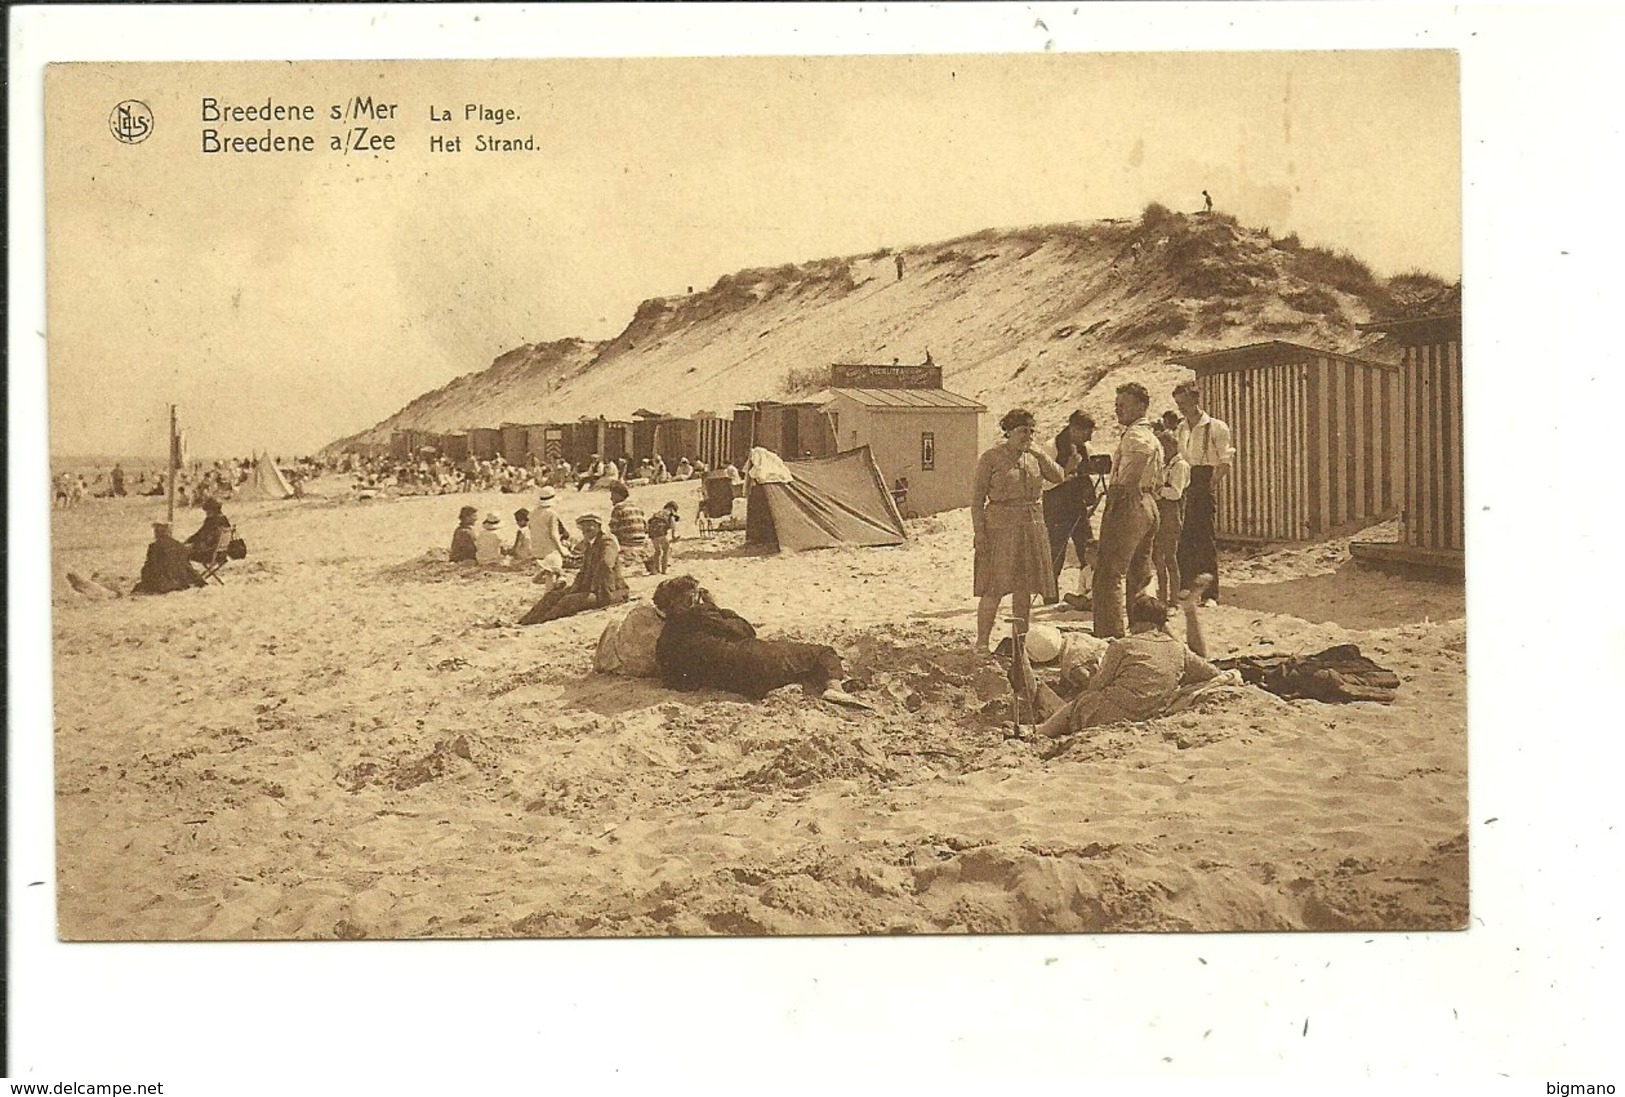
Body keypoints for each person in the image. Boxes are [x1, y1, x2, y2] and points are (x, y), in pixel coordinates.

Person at [1037, 584, 1220, 738]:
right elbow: (1212, 672)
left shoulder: (1123, 645)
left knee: (1081, 702)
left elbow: (1098, 685)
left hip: (1116, 711)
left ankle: (1041, 732)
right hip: (1152, 711)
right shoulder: (1177, 648)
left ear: (1135, 620)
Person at [652, 575, 847, 699]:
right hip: (756, 664)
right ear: (688, 599)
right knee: (822, 652)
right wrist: (715, 607)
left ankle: (815, 680)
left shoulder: (664, 641)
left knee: (792, 663)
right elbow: (746, 631)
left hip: (736, 684)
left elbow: (679, 681)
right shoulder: (700, 614)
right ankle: (835, 688)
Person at [972, 408, 1066, 652]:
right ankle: (982, 642)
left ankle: (1019, 642)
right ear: (1009, 432)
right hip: (999, 528)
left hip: (1031, 527)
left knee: (1024, 587)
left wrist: (1039, 453)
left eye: (1031, 431)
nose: (1028, 436)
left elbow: (1058, 477)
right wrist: (979, 533)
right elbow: (977, 499)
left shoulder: (1034, 456)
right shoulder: (991, 457)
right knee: (994, 587)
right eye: (1023, 431)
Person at [1092, 382, 1163, 638]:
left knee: (1108, 575)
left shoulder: (1136, 434)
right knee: (1139, 574)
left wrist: (1127, 487)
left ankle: (1109, 637)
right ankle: (1144, 631)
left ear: (1141, 407)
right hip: (1148, 504)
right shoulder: (1151, 434)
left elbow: (1141, 454)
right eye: (1116, 403)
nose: (1117, 408)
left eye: (1123, 404)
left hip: (1129, 502)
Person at [1173, 379, 1234, 604]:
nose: (1181, 408)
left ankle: (1210, 594)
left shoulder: (1216, 426)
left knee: (1204, 539)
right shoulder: (1181, 428)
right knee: (1183, 537)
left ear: (1196, 399)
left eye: (1184, 403)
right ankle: (1187, 587)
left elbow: (1226, 462)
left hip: (1202, 480)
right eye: (1178, 404)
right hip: (1184, 481)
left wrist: (1209, 485)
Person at [519, 513, 629, 624]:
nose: (586, 529)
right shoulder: (590, 544)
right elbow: (583, 572)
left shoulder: (607, 542)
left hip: (610, 592)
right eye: (583, 526)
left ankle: (541, 621)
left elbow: (606, 565)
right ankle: (523, 622)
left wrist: (600, 592)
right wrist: (573, 589)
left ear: (598, 526)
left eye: (590, 525)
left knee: (567, 601)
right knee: (552, 596)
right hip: (590, 589)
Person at [1042, 410, 1098, 607]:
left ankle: (1091, 594)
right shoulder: (1050, 447)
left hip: (1078, 506)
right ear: (1074, 429)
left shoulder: (1086, 447)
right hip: (1056, 507)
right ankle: (1050, 597)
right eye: (1086, 433)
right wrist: (1068, 470)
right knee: (1056, 551)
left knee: (1088, 550)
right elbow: (1043, 483)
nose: (1089, 438)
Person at [1153, 428, 1190, 604]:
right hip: (1160, 513)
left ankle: (1174, 598)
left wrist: (1158, 491)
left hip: (1171, 514)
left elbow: (1176, 492)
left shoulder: (1180, 466)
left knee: (1169, 557)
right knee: (1157, 556)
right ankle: (1162, 596)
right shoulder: (1165, 465)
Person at [132, 522, 206, 594]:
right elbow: (186, 565)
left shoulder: (154, 547)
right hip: (181, 582)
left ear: (157, 533)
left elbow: (149, 566)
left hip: (163, 584)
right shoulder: (179, 545)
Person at [606, 481, 651, 568]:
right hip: (641, 541)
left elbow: (613, 530)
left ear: (618, 495)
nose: (611, 498)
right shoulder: (636, 506)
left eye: (612, 495)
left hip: (627, 543)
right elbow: (646, 527)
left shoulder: (618, 508)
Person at [531, 486, 572, 571]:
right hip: (549, 552)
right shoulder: (552, 514)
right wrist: (562, 551)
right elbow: (554, 535)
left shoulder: (532, 513)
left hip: (536, 551)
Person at [184, 498, 232, 564]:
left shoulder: (211, 521)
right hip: (221, 554)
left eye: (207, 511)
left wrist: (188, 542)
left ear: (213, 510)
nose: (206, 514)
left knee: (181, 552)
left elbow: (200, 535)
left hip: (208, 554)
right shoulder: (224, 519)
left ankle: (187, 572)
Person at [645, 501, 681, 575]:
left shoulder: (658, 513)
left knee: (657, 551)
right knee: (666, 550)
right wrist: (673, 536)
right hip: (660, 531)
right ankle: (664, 570)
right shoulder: (670, 513)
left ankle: (656, 569)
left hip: (652, 532)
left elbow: (649, 522)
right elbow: (672, 524)